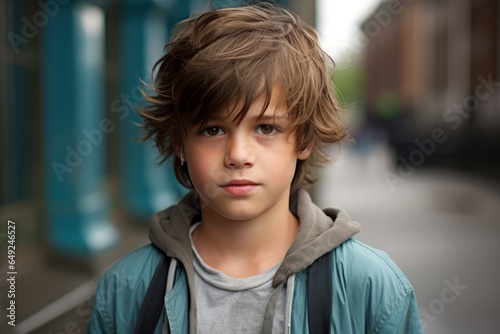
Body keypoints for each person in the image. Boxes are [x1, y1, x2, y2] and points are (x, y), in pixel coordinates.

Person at [89, 3, 423, 333]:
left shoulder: (372, 288)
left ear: (304, 140)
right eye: (213, 130)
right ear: (180, 143)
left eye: (266, 128)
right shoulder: (126, 290)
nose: (237, 155)